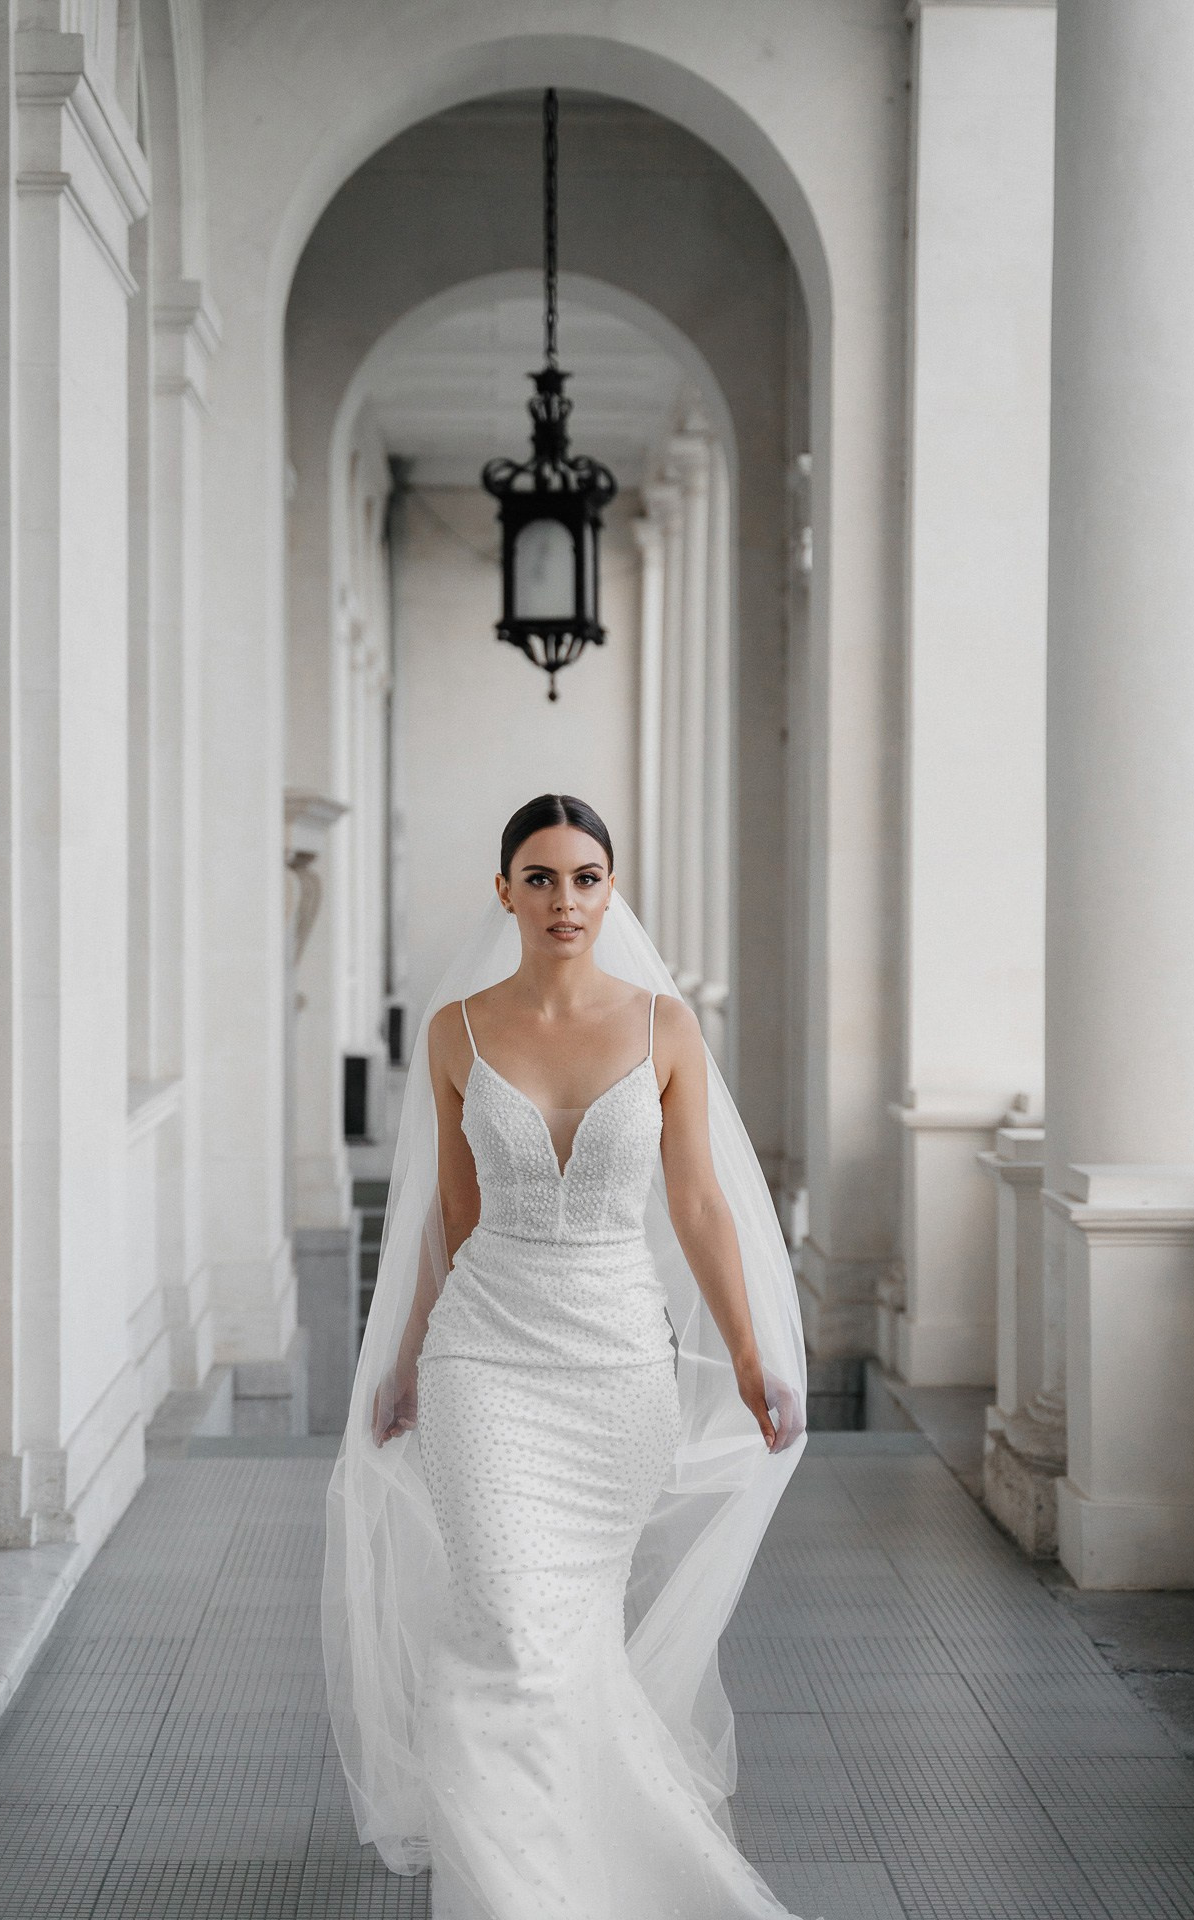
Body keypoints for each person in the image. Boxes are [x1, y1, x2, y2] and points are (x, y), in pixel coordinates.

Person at [322, 793, 813, 1920]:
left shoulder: (663, 1027)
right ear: (503, 892)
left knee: (564, 1641)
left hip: (612, 1376)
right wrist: (403, 1359)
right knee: (504, 1630)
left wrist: (746, 1356)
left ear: (610, 890)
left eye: (585, 877)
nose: (563, 899)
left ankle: (602, 1872)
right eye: (538, 878)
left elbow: (694, 1204)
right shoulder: (456, 1030)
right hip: (482, 1363)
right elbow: (452, 1217)